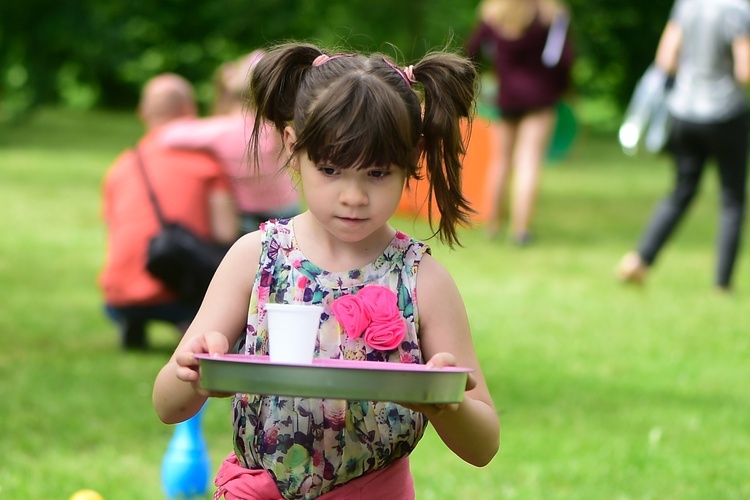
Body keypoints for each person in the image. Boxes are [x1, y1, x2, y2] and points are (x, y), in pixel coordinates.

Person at [153, 43, 500, 499]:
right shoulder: (255, 258)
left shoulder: (422, 281)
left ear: (411, 159)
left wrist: (444, 404)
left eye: (377, 173)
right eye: (332, 169)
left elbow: (484, 445)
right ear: (295, 148)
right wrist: (193, 371)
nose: (353, 196)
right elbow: (167, 405)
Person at [617, 0, 750, 292]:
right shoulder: (738, 9)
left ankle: (639, 260)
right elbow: (744, 71)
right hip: (726, 113)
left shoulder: (688, 3)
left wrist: (693, 78)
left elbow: (666, 57)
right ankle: (722, 284)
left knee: (681, 191)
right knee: (732, 199)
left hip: (684, 112)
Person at [99, 73, 238, 350]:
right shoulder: (206, 164)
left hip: (118, 296)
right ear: (190, 110)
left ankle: (132, 320)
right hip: (178, 291)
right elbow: (226, 231)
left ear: (142, 113)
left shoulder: (122, 166)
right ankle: (189, 322)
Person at [466, 0, 574, 243]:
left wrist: (484, 82)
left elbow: (471, 51)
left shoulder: (492, 14)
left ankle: (492, 226)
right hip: (541, 97)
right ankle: (521, 230)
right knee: (529, 160)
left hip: (506, 98)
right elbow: (563, 59)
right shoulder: (553, 16)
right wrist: (561, 89)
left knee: (500, 162)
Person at [161, 51, 302, 235]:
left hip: (246, 215)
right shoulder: (279, 127)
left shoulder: (222, 132)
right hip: (286, 209)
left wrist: (222, 90)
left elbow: (168, 135)